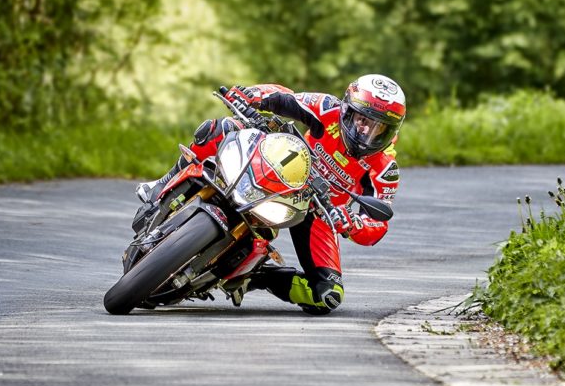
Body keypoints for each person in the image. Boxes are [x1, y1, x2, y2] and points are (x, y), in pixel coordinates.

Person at [137, 74, 406, 314]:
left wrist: (352, 222)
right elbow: (284, 98)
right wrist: (252, 95)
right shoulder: (327, 108)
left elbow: (378, 223)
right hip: (281, 164)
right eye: (362, 120)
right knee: (224, 127)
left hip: (318, 210)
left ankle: (257, 274)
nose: (366, 132)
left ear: (390, 132)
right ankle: (162, 185)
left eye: (378, 127)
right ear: (347, 110)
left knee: (327, 296)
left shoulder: (385, 169)